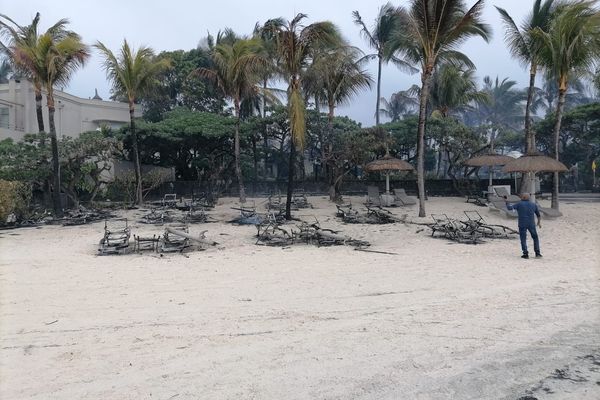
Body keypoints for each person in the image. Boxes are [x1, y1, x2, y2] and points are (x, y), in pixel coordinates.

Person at [504, 193, 542, 259]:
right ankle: (537, 253)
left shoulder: (519, 204)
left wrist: (506, 201)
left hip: (522, 224)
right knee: (535, 237)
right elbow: (538, 215)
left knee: (523, 239)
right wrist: (539, 222)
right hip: (531, 224)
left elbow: (509, 208)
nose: (521, 197)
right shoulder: (533, 204)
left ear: (523, 197)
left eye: (521, 196)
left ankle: (525, 254)